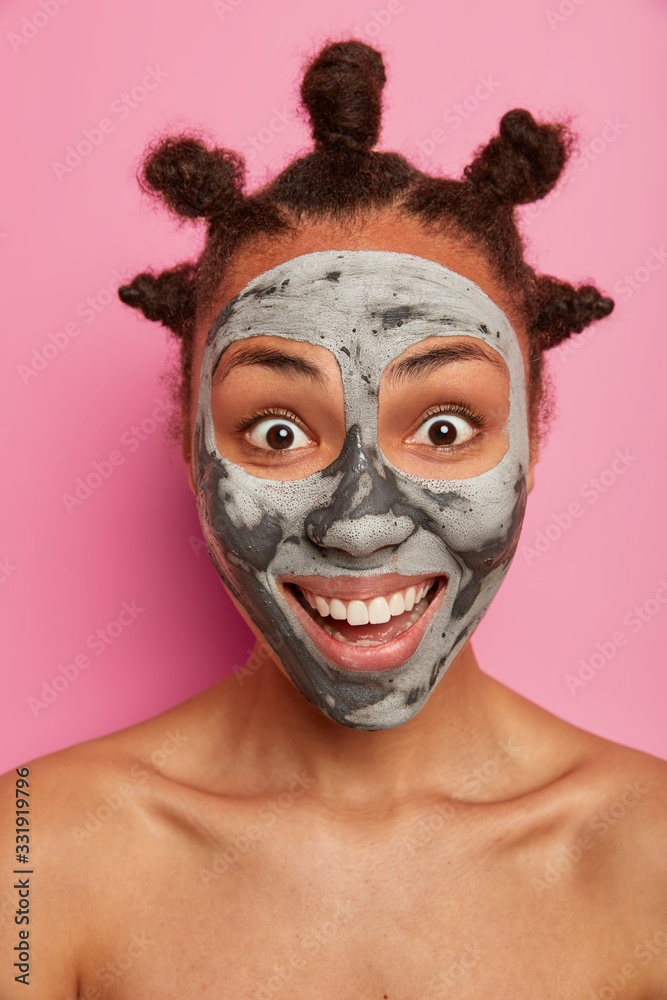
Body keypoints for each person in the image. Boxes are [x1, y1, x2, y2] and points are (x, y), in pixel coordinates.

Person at [2, 39, 666, 999]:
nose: (359, 524)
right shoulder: (32, 857)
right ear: (190, 447)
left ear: (528, 445)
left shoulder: (648, 860)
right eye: (276, 430)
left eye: (444, 425)